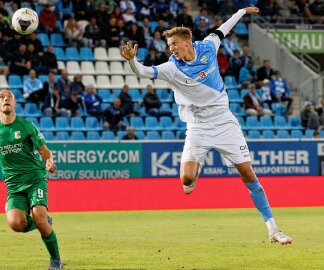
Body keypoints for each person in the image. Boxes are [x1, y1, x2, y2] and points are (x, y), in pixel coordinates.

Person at [120, 6, 292, 245]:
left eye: (173, 45)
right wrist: (132, 61)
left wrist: (242, 11)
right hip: (198, 127)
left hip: (224, 122)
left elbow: (224, 29)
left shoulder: (208, 46)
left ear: (187, 42)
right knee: (186, 181)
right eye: (169, 46)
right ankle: (196, 168)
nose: (170, 50)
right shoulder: (171, 68)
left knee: (248, 175)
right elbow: (144, 72)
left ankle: (273, 229)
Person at [0, 89, 63, 269]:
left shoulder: (26, 125)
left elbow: (43, 149)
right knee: (15, 223)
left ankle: (56, 260)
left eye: (9, 96)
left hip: (35, 178)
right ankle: (41, 222)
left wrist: (49, 161)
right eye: (1, 97)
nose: (5, 99)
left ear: (15, 104)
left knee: (40, 217)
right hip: (13, 185)